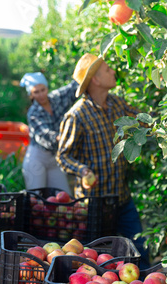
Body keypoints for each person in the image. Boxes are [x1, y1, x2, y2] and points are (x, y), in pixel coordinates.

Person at [55, 53, 150, 268]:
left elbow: (143, 120)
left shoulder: (117, 105)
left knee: (140, 249)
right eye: (107, 69)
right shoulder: (77, 116)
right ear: (95, 80)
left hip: (121, 197)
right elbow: (63, 156)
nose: (113, 71)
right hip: (93, 205)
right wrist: (82, 170)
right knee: (94, 258)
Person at [20, 72, 79, 195]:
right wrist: (61, 138)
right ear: (31, 94)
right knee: (36, 199)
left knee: (63, 196)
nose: (41, 95)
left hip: (54, 158)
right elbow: (43, 134)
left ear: (47, 88)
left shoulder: (57, 98)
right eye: (36, 92)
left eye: (43, 90)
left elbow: (74, 87)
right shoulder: (33, 113)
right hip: (37, 159)